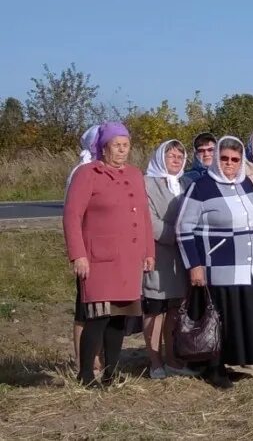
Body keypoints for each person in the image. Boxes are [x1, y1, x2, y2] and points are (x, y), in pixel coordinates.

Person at [63, 122, 155, 386]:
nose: (122, 150)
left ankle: (111, 373)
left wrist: (148, 252)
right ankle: (86, 374)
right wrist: (78, 255)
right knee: (98, 317)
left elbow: (144, 216)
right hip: (99, 260)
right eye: (117, 145)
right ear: (104, 148)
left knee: (119, 318)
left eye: (126, 145)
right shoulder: (87, 173)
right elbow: (72, 216)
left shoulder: (135, 174)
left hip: (129, 259)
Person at [176, 136, 253, 388]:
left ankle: (227, 364)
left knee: (235, 319)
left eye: (235, 160)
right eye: (225, 158)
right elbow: (183, 228)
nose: (229, 163)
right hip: (216, 267)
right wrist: (194, 265)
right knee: (216, 320)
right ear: (217, 159)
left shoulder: (246, 184)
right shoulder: (201, 187)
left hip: (245, 267)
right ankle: (213, 368)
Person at [143, 139, 195, 379]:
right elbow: (149, 220)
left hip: (181, 257)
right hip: (158, 254)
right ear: (160, 157)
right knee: (156, 310)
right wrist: (178, 234)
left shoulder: (187, 183)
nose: (176, 160)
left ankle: (173, 358)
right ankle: (155, 361)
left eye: (180, 156)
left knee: (175, 309)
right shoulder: (147, 183)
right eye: (170, 155)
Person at [66, 124, 100, 377]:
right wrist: (79, 253)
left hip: (107, 250)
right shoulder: (82, 171)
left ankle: (99, 356)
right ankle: (82, 361)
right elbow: (73, 215)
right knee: (85, 308)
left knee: (105, 309)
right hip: (89, 250)